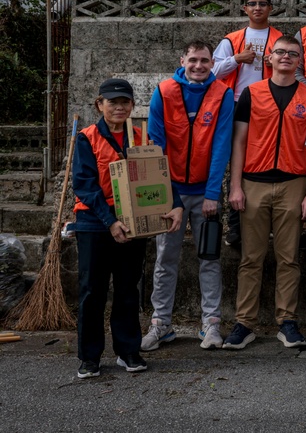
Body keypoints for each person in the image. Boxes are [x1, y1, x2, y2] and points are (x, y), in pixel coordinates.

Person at [71, 78, 182, 379]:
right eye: (112, 102)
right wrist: (110, 221)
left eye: (124, 102)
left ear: (132, 105)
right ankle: (89, 357)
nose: (119, 107)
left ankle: (128, 350)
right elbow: (84, 185)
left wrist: (176, 204)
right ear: (100, 104)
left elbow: (159, 176)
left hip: (133, 222)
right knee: (92, 291)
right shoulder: (87, 137)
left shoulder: (141, 138)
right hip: (95, 223)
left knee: (128, 288)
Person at [224, 36, 306, 351]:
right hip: (254, 181)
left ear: (300, 60)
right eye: (280, 52)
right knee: (251, 257)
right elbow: (238, 142)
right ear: (270, 58)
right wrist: (235, 186)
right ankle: (244, 323)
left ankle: (287, 321)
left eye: (293, 53)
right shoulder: (252, 93)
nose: (286, 57)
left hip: (294, 182)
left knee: (289, 257)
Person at [142, 41, 234, 352]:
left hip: (205, 192)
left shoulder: (223, 93)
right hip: (172, 192)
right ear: (182, 60)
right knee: (165, 258)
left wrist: (212, 193)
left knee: (209, 257)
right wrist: (171, 198)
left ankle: (211, 323)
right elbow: (157, 146)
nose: (198, 66)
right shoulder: (164, 91)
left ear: (212, 63)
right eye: (193, 60)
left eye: (204, 60)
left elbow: (222, 145)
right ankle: (161, 323)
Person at [212, 0, 283, 248]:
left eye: (262, 4)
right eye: (252, 4)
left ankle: (265, 220)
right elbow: (211, 72)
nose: (257, 8)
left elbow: (295, 66)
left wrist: (275, 62)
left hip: (269, 104)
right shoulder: (231, 40)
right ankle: (235, 226)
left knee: (265, 156)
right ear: (245, 8)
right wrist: (236, 59)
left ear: (270, 8)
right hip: (235, 103)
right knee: (235, 160)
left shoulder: (279, 38)